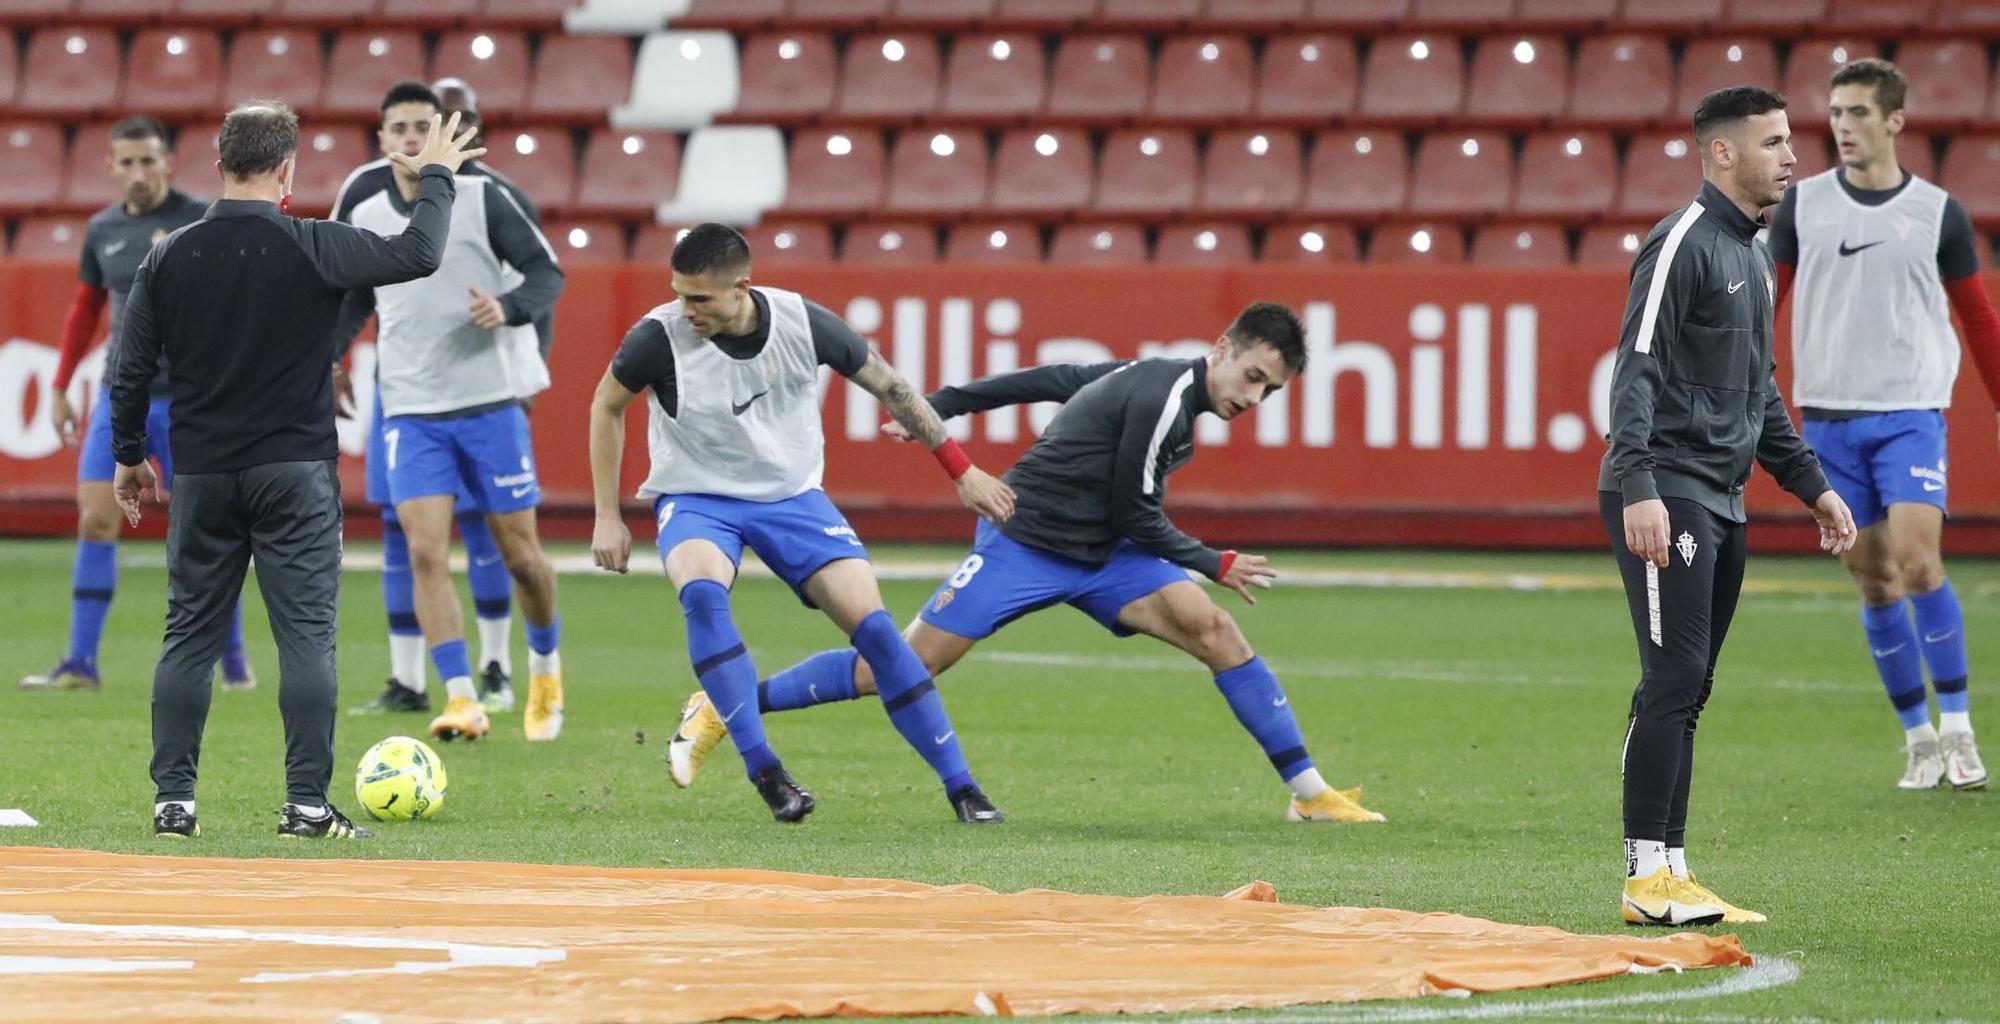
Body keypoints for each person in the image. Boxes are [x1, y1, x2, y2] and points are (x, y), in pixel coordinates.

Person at [665, 301, 1386, 827]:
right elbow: (1137, 508)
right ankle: (726, 707)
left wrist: (942, 402)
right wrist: (1211, 557)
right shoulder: (1165, 394)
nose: (1253, 398)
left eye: (1270, 391)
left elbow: (1053, 378)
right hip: (1027, 543)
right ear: (1224, 346)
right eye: (1253, 376)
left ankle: (1309, 792)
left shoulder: (1159, 381)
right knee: (895, 668)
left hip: (1106, 557)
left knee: (1216, 632)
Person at [110, 100, 483, 840]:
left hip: (205, 474)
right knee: (307, 639)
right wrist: (438, 175)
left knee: (189, 636)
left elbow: (130, 369)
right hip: (295, 472)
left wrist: (129, 456)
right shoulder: (317, 244)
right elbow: (418, 254)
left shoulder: (168, 254)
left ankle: (173, 804)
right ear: (288, 169)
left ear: (218, 165)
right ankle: (307, 805)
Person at [587, 223, 1015, 824]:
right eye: (679, 293)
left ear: (742, 286)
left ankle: (963, 788)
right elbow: (606, 405)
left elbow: (891, 387)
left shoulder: (802, 322)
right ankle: (766, 772)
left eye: (700, 298)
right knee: (705, 597)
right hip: (697, 495)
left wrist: (961, 470)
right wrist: (608, 514)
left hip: (793, 499)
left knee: (880, 636)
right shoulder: (657, 337)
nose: (686, 310)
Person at [1601, 86, 1858, 926]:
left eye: (1791, 141)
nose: (1793, 157)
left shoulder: (1752, 254)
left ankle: (1674, 870)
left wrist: (1812, 485)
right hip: (1666, 491)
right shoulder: (1680, 244)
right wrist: (1637, 484)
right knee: (1671, 678)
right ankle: (1644, 877)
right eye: (1775, 141)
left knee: (1694, 683)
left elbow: (1761, 394)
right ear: (1722, 153)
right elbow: (1635, 369)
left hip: (1722, 498)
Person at [1769, 58, 1998, 792]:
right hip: (1830, 418)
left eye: (1859, 113)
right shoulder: (1801, 207)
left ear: (1895, 121)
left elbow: (1977, 316)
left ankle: (1960, 729)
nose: (1843, 126)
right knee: (1872, 580)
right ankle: (1918, 737)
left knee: (1917, 557)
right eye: (1836, 114)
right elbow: (1763, 303)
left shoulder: (1937, 213)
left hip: (1909, 413)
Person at [333, 81, 567, 745]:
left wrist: (511, 309)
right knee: (425, 552)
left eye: (422, 127)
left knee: (521, 555)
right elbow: (350, 291)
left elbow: (547, 276)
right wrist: (329, 358)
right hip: (409, 408)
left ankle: (545, 668)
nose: (410, 138)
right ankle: (461, 697)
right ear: (381, 138)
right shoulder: (361, 196)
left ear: (443, 134)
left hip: (488, 402)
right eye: (398, 127)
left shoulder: (483, 194)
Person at [21, 116, 255, 695]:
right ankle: (80, 663)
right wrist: (58, 385)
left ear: (169, 163)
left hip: (193, 403)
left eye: (148, 160)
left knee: (206, 534)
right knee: (96, 519)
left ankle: (233, 664)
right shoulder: (102, 229)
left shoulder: (200, 219)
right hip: (120, 396)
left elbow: (237, 301)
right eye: (126, 162)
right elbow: (85, 310)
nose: (138, 173)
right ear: (111, 168)